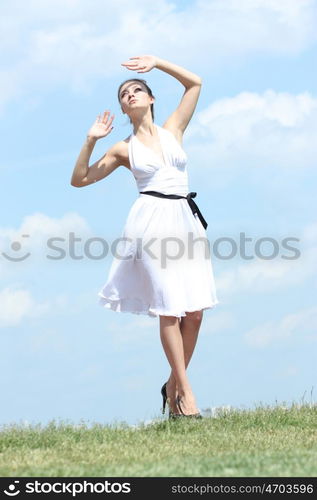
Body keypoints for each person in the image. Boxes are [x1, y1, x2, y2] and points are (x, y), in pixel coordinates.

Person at [70, 55, 219, 418]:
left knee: (195, 311)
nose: (131, 94)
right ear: (123, 108)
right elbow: (81, 179)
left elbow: (195, 82)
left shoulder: (173, 130)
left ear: (151, 98)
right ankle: (185, 395)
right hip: (151, 223)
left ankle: (171, 384)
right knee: (169, 308)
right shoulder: (123, 148)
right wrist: (91, 140)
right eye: (125, 94)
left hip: (185, 219)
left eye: (137, 89)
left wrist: (157, 62)